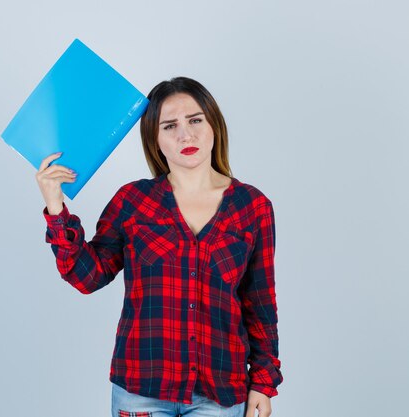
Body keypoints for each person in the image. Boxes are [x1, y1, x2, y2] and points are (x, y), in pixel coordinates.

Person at [36, 77, 282, 417]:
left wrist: (263, 383)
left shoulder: (252, 207)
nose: (186, 135)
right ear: (155, 139)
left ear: (214, 125)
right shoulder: (133, 202)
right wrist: (55, 207)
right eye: (170, 126)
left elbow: (261, 306)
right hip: (141, 391)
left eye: (195, 120)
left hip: (221, 393)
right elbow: (86, 277)